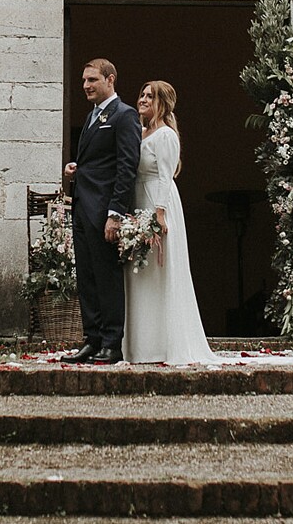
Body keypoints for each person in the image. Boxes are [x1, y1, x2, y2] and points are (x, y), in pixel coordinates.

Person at [123, 80, 218, 366]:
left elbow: (166, 175)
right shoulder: (139, 132)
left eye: (149, 96)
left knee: (159, 272)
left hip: (156, 202)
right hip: (138, 201)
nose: (142, 99)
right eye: (141, 94)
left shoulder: (165, 136)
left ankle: (163, 346)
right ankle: (141, 346)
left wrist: (159, 214)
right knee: (140, 274)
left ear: (161, 103)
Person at [59, 58, 140, 364]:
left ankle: (111, 343)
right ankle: (91, 340)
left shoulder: (124, 115)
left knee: (107, 278)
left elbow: (126, 167)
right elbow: (98, 163)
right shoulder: (93, 116)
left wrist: (115, 213)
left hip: (104, 211)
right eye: (83, 81)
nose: (86, 86)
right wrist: (76, 170)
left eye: (92, 80)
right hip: (82, 208)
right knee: (87, 279)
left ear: (110, 80)